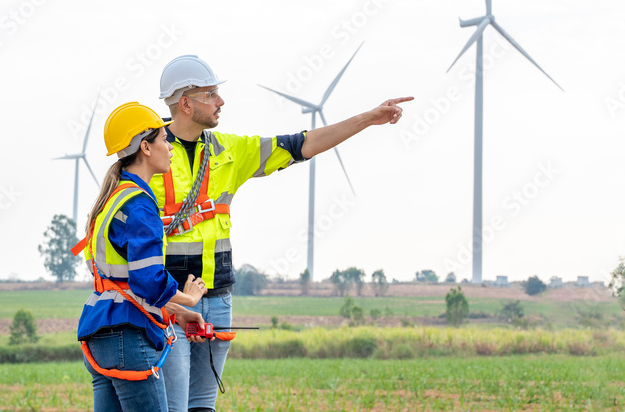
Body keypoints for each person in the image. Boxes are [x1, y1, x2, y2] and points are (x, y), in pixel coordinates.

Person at [151, 54, 413, 412]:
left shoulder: (229, 149)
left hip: (219, 299)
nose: (221, 101)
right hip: (173, 302)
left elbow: (300, 144)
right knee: (173, 406)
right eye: (211, 94)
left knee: (202, 406)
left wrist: (368, 118)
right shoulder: (149, 153)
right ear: (185, 103)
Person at [75, 101, 211, 412]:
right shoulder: (140, 205)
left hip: (99, 335)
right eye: (165, 139)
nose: (171, 147)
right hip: (129, 338)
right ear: (146, 147)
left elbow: (120, 284)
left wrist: (176, 312)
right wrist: (189, 299)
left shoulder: (113, 199)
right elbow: (147, 282)